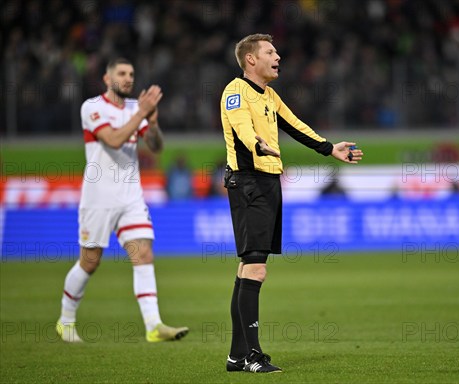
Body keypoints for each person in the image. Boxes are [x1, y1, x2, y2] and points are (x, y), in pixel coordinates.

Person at [220, 34, 363, 373]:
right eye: (270, 52)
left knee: (246, 271)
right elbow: (241, 128)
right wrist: (257, 145)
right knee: (255, 268)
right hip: (249, 182)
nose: (278, 56)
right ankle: (253, 356)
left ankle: (237, 356)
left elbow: (295, 125)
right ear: (251, 60)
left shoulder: (269, 95)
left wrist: (329, 148)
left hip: (268, 183)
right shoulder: (235, 91)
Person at [56, 58, 189, 343]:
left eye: (131, 73)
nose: (128, 78)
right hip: (98, 198)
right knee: (90, 262)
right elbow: (114, 140)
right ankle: (66, 320)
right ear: (107, 78)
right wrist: (140, 112)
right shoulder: (92, 107)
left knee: (143, 253)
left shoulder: (133, 109)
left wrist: (151, 123)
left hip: (131, 197)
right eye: (122, 73)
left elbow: (155, 147)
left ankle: (154, 325)